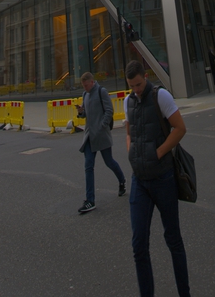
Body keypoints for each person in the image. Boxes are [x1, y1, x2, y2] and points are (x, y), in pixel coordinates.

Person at [124, 60, 191, 297]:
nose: (136, 90)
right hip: (139, 181)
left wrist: (158, 152)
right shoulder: (128, 101)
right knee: (138, 245)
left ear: (146, 76)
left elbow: (180, 128)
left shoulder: (160, 96)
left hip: (163, 178)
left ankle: (185, 293)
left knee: (173, 239)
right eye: (132, 86)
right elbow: (130, 130)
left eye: (139, 84)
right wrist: (131, 150)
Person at [76, 72, 126, 214]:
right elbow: (86, 114)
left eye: (86, 85)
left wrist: (102, 126)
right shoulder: (85, 95)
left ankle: (122, 180)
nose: (85, 88)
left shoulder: (101, 91)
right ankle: (90, 200)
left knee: (109, 161)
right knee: (88, 167)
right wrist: (81, 112)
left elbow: (109, 110)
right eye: (83, 86)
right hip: (89, 137)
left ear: (92, 82)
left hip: (101, 135)